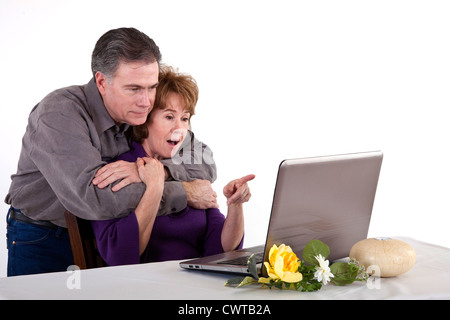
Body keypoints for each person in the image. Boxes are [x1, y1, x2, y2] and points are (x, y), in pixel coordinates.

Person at [4, 28, 217, 276]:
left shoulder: (139, 112)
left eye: (151, 87)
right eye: (134, 88)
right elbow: (93, 198)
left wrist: (156, 171)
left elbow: (204, 163)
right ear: (102, 82)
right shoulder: (59, 113)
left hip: (106, 236)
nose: (147, 101)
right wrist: (182, 191)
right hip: (46, 238)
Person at [91, 66, 255, 265]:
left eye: (184, 119)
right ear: (145, 119)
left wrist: (235, 205)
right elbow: (119, 256)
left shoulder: (187, 168)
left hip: (196, 283)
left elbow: (221, 248)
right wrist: (154, 185)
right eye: (169, 117)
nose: (179, 129)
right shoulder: (116, 170)